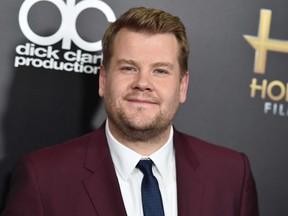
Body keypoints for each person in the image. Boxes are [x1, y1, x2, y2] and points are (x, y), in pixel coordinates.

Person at [1, 7, 259, 216]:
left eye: (160, 70)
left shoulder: (232, 175)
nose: (143, 83)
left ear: (182, 86)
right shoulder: (43, 178)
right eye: (128, 68)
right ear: (103, 80)